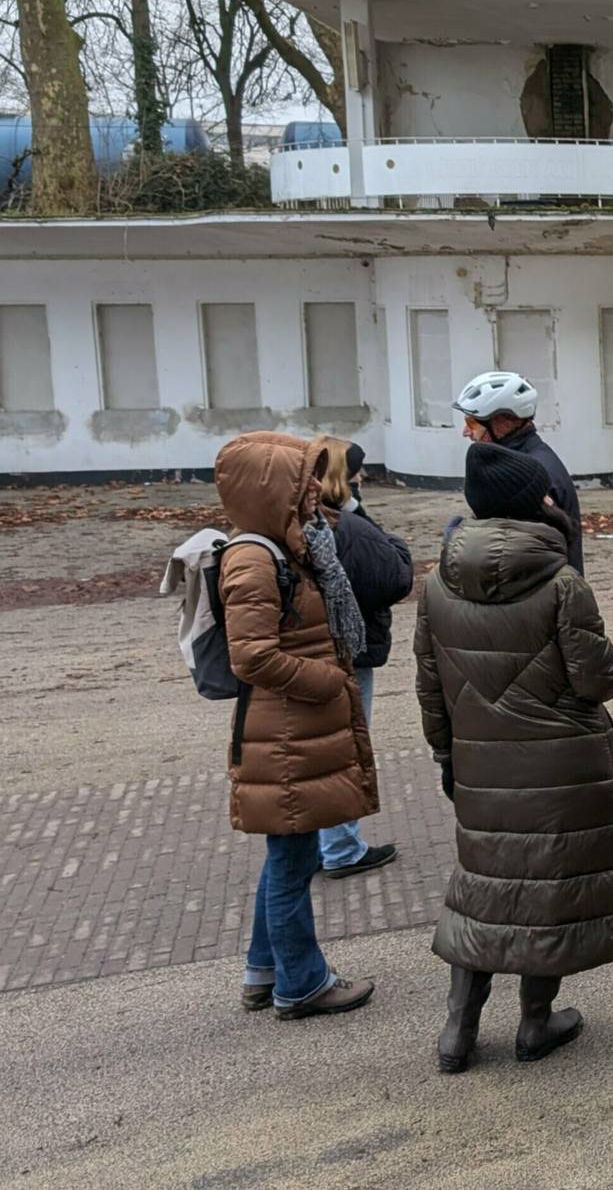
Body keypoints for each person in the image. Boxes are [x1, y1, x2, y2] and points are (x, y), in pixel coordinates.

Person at [415, 443, 613, 1073]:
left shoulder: (436, 583)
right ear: (532, 501)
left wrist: (448, 758)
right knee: (548, 891)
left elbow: (430, 687)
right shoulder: (563, 581)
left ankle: (458, 1032)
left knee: (482, 889)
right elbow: (597, 683)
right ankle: (535, 1022)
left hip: (480, 765)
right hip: (562, 768)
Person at [216, 431, 379, 1020]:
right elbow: (252, 656)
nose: (315, 487)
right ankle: (302, 985)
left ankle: (264, 972)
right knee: (292, 863)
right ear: (271, 489)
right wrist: (331, 681)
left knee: (289, 855)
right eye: (303, 478)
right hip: (283, 733)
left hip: (292, 729)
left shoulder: (291, 545)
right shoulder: (254, 558)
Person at [312, 438, 413, 881]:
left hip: (317, 649)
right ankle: (341, 848)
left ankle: (320, 845)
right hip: (348, 651)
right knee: (347, 746)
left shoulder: (300, 519)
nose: (362, 478)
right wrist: (358, 513)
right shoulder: (341, 525)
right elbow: (392, 574)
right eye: (356, 471)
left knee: (320, 748)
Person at [453, 370, 585, 571]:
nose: (465, 432)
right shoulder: (519, 463)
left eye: (472, 422)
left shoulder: (529, 477)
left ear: (502, 420)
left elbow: (521, 560)